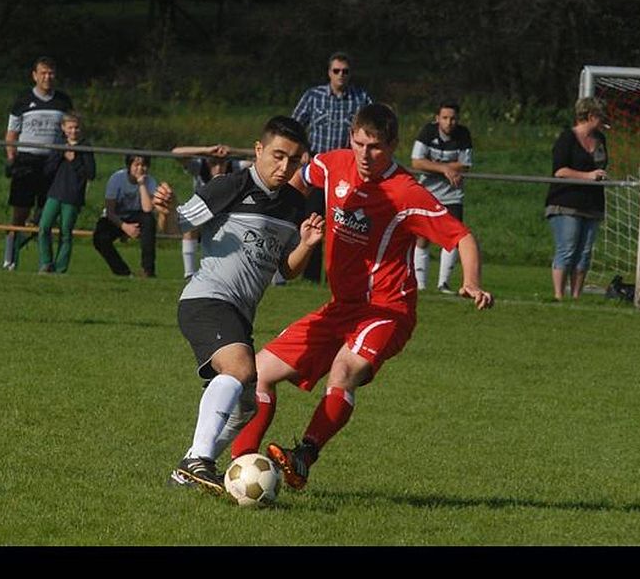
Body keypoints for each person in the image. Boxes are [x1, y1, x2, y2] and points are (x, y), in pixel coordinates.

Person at [229, 104, 493, 491]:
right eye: (359, 144)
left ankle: (304, 454)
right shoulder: (333, 164)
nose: (365, 156)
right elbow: (300, 180)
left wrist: (471, 280)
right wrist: (278, 217)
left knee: (343, 370)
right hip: (341, 307)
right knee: (256, 374)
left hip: (387, 310)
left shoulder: (406, 192)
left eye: (376, 148)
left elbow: (462, 237)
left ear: (394, 145)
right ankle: (239, 466)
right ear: (350, 137)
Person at [150, 117, 324, 493]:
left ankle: (187, 472)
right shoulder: (229, 186)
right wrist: (164, 210)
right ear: (258, 150)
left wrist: (307, 245)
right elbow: (175, 229)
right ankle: (197, 459)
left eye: (294, 161)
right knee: (241, 369)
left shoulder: (295, 204)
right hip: (206, 299)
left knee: (247, 406)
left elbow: (287, 271)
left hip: (240, 313)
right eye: (277, 156)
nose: (284, 168)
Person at [291, 51, 373, 283]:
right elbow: (295, 125)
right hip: (318, 168)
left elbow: (373, 128)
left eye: (345, 71)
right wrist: (303, 148)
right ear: (329, 72)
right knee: (315, 220)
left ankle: (339, 276)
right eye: (336, 71)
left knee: (345, 226)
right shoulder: (313, 96)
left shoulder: (361, 98)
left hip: (348, 170)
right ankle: (310, 277)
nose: (340, 75)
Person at [2, 56, 74, 270]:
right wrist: (11, 159)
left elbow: (71, 130)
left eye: (50, 73)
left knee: (46, 216)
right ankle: (9, 259)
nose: (47, 77)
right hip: (26, 162)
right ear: (34, 75)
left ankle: (46, 262)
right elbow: (11, 134)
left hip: (53, 164)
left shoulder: (63, 101)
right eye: (43, 73)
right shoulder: (23, 100)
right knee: (20, 214)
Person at [543, 97, 610, 301]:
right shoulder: (567, 138)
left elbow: (602, 164)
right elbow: (560, 171)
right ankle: (558, 295)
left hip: (592, 203)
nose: (603, 122)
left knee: (584, 252)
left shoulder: (601, 140)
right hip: (566, 202)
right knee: (568, 248)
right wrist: (588, 176)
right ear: (590, 116)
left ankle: (576, 296)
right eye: (601, 117)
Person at [410, 101, 474, 293]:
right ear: (437, 119)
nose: (449, 122)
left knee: (453, 236)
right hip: (427, 192)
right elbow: (416, 162)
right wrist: (443, 168)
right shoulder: (428, 132)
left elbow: (466, 164)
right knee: (422, 236)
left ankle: (443, 283)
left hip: (453, 194)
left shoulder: (463, 135)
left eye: (453, 118)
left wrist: (437, 166)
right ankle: (420, 284)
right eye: (445, 118)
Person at [171, 144, 252, 280]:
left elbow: (260, 159)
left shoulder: (236, 167)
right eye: (214, 163)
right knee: (190, 227)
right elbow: (176, 153)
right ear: (207, 162)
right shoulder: (199, 166)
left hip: (228, 216)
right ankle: (189, 274)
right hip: (203, 214)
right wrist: (206, 150)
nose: (218, 168)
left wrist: (234, 150)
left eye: (222, 163)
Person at [37, 112, 96, 273]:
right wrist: (59, 155)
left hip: (72, 196)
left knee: (66, 232)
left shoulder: (85, 147)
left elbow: (90, 173)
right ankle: (46, 262)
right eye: (70, 127)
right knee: (44, 227)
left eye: (76, 127)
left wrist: (74, 160)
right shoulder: (59, 144)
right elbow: (48, 170)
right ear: (63, 128)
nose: (73, 131)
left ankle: (61, 267)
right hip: (55, 193)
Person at [93, 155, 158, 277]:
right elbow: (110, 211)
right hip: (116, 216)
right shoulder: (116, 179)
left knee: (149, 221)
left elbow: (148, 209)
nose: (140, 169)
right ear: (129, 166)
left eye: (143, 165)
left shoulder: (150, 181)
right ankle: (123, 272)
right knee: (100, 238)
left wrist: (142, 184)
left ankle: (148, 271)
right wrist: (125, 227)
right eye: (136, 165)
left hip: (137, 215)